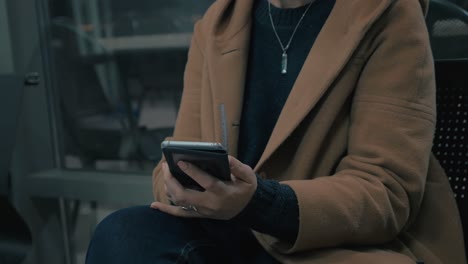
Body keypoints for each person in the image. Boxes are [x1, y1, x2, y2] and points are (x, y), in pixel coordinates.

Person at [86, 0, 466, 263]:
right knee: (122, 234)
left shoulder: (387, 15)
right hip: (233, 235)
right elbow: (174, 161)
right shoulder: (218, 23)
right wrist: (179, 187)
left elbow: (386, 194)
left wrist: (261, 203)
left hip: (335, 246)